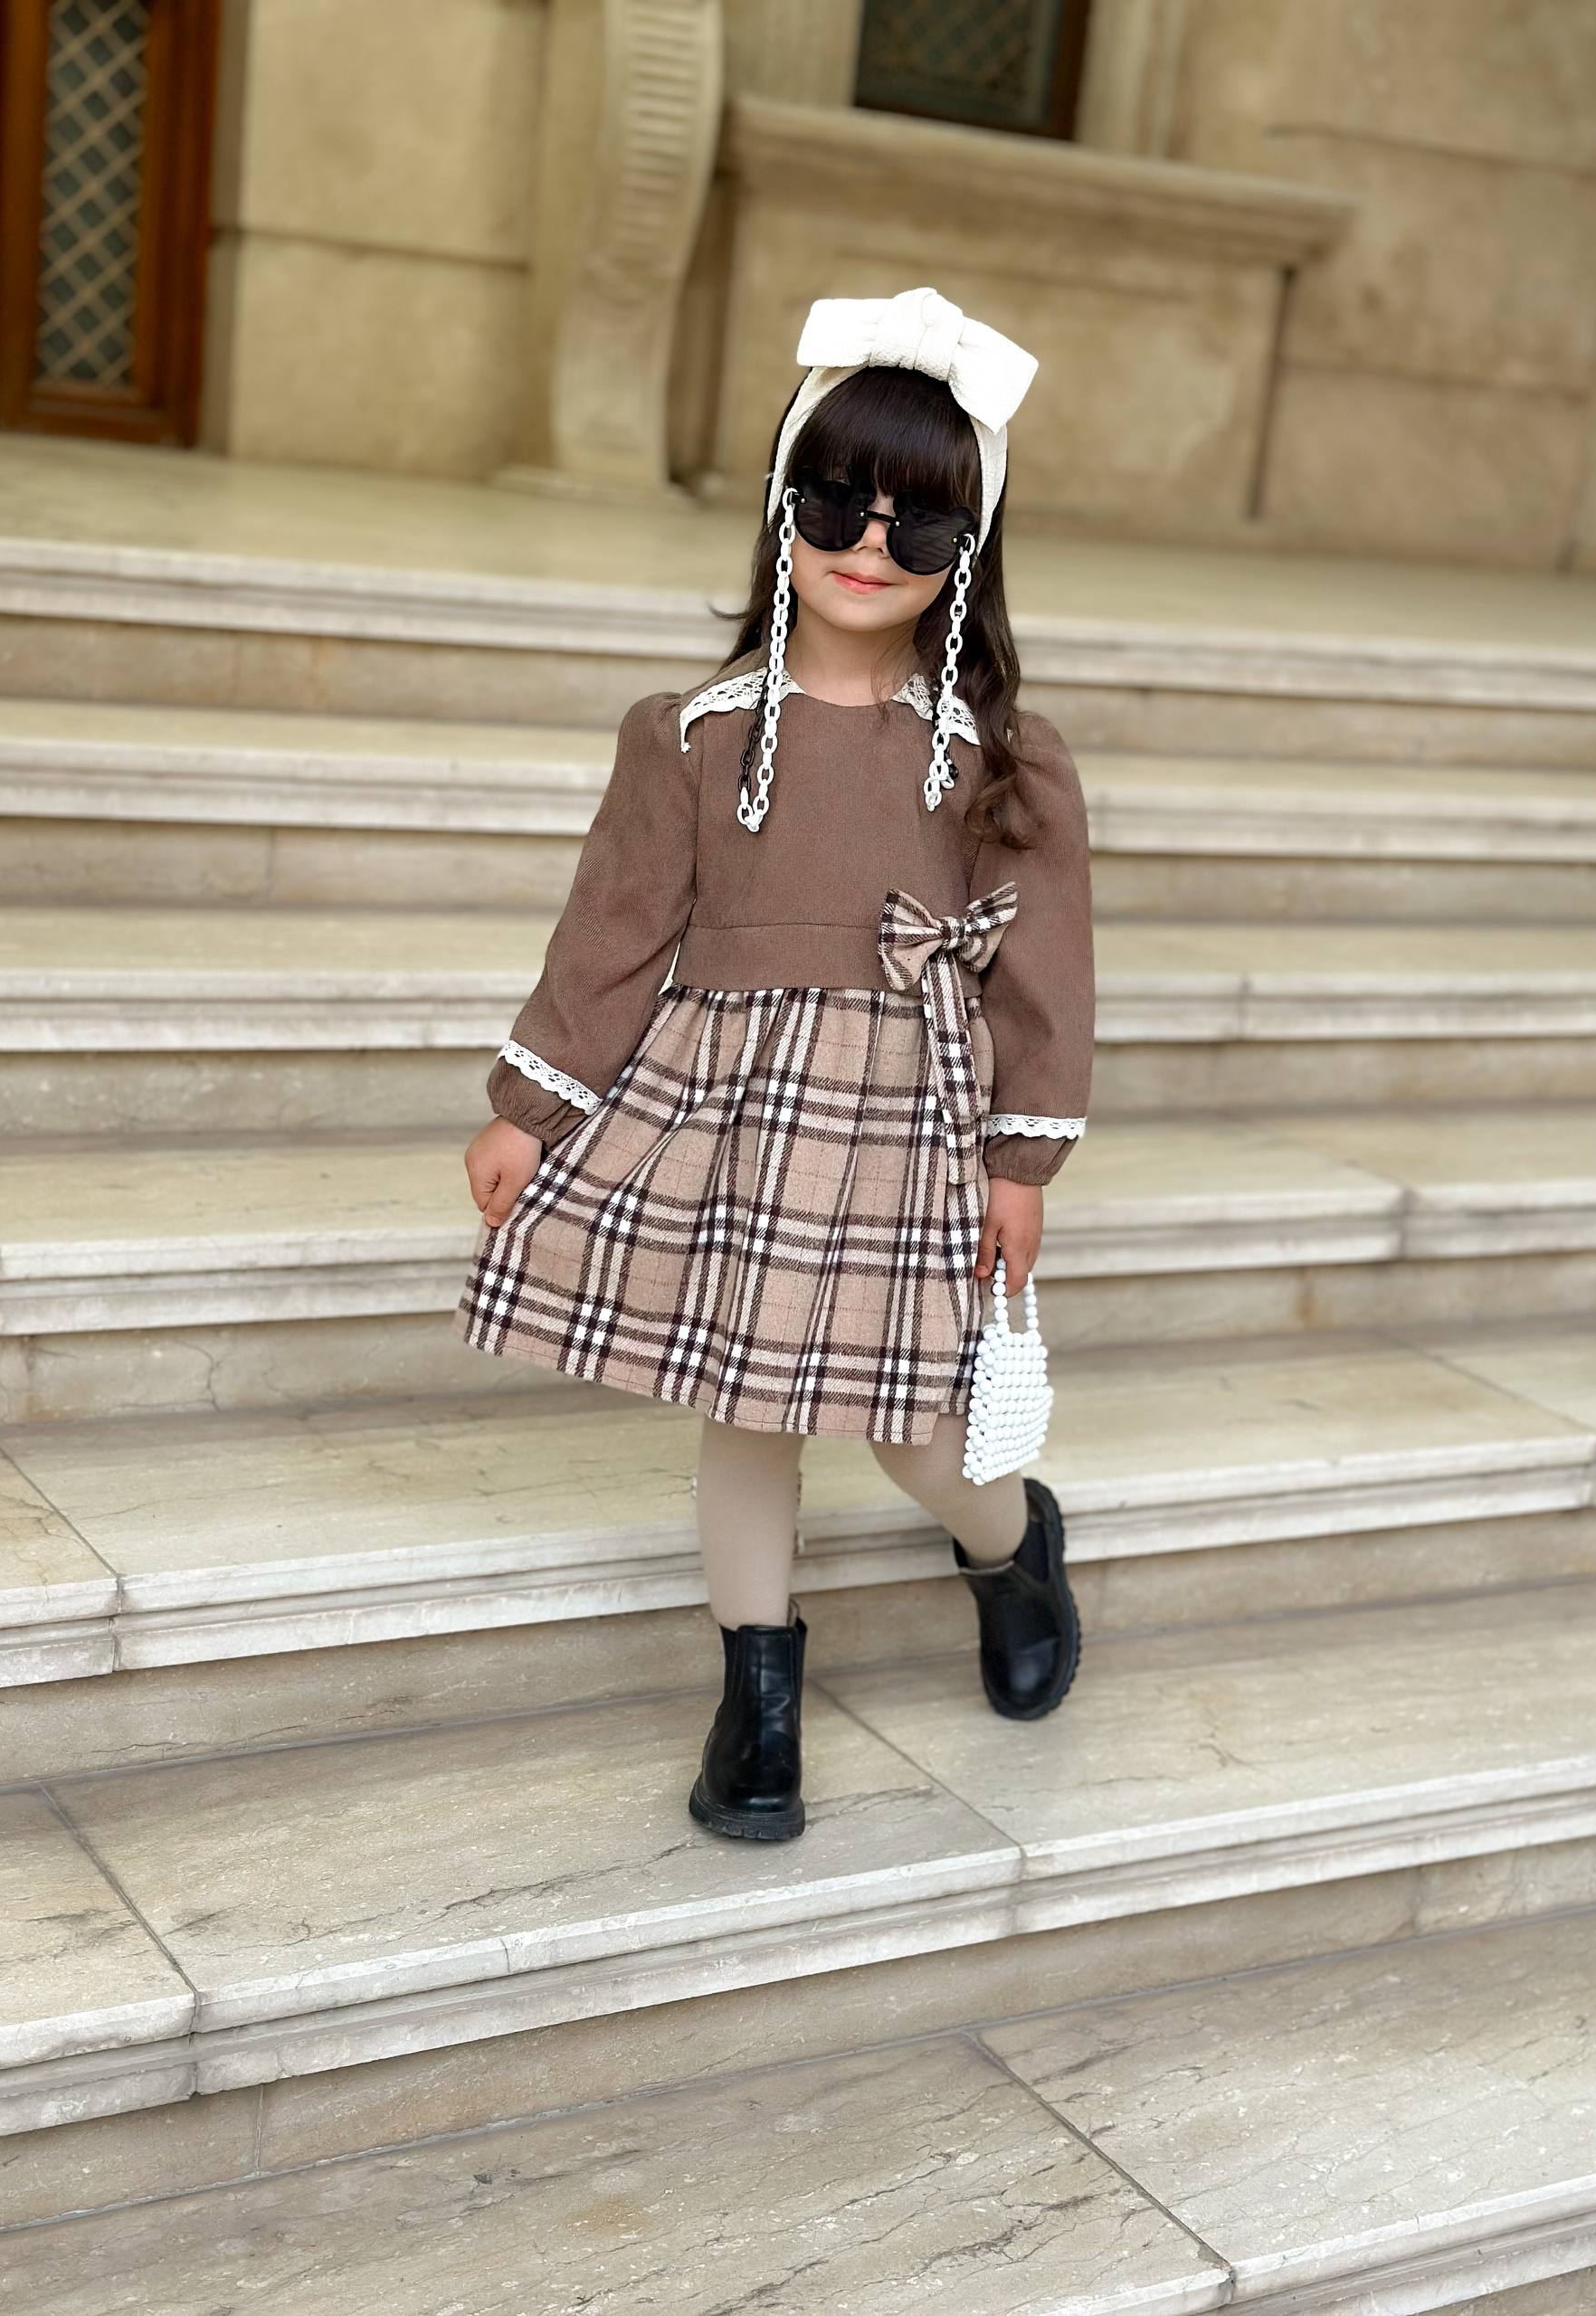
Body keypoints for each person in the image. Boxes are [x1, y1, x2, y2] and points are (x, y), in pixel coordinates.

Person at [455, 286, 1096, 1843]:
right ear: (781, 505)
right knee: (744, 1407)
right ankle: (758, 1706)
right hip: (731, 1106)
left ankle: (1008, 1544)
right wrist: (533, 1106)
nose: (869, 545)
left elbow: (1042, 976)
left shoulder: (1000, 757)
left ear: (967, 551)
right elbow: (614, 932)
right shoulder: (687, 733)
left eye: (918, 523)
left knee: (911, 1427)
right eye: (835, 503)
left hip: (910, 1119)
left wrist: (1020, 1166)